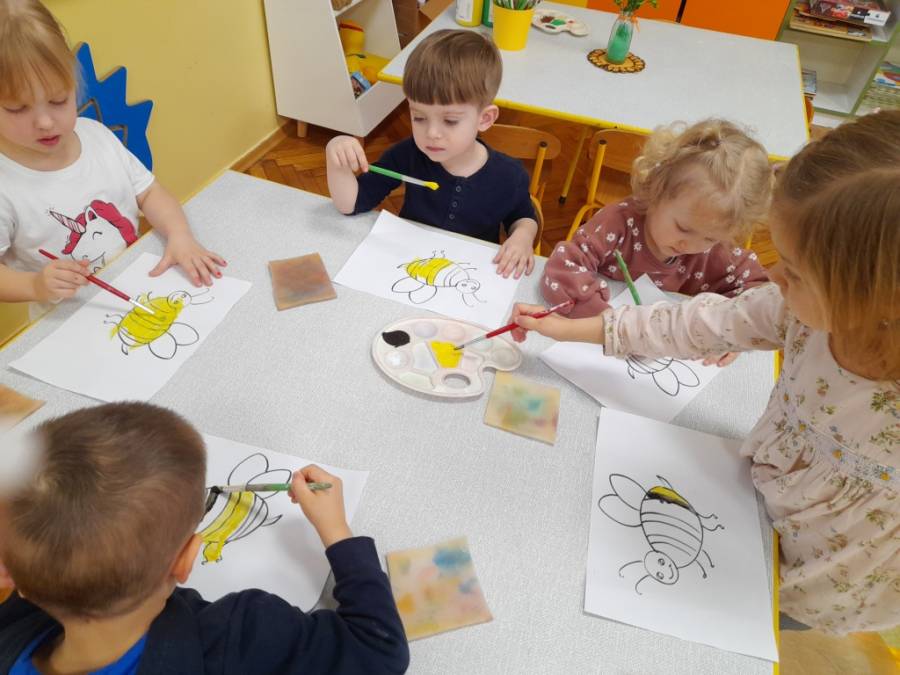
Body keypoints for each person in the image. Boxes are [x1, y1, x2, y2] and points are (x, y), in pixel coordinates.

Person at [511, 110, 900, 634]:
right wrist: (568, 329)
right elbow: (688, 323)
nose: (773, 276)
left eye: (794, 270)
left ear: (872, 297)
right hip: (746, 492)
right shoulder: (789, 309)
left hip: (827, 575)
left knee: (735, 631)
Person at [0, 402, 410, 673]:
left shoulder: (14, 624)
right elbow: (379, 649)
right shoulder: (239, 636)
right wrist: (337, 532)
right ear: (185, 559)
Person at [0, 0, 225, 312]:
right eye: (18, 109)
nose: (45, 122)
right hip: (69, 319)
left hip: (139, 288)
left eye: (58, 100)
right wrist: (35, 285)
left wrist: (180, 234)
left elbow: (150, 192)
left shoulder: (97, 136)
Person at [542, 119, 771, 366]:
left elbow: (759, 296)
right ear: (656, 190)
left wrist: (731, 331)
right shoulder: (618, 224)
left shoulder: (716, 249)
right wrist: (611, 324)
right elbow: (563, 268)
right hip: (596, 351)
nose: (689, 245)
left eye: (710, 238)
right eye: (682, 228)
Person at [326, 29, 538, 279]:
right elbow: (351, 204)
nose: (432, 133)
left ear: (485, 118)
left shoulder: (509, 175)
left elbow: (523, 217)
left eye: (450, 121)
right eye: (419, 117)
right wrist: (335, 156)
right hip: (410, 268)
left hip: (468, 277)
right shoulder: (408, 154)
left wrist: (523, 236)